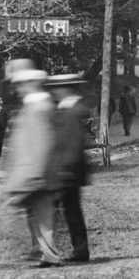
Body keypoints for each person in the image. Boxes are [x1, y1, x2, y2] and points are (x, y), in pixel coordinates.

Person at [2, 58, 62, 268]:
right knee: (39, 215)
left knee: (38, 215)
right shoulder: (36, 105)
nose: (17, 89)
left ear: (31, 83)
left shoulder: (38, 107)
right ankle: (42, 252)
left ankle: (45, 254)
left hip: (34, 173)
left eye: (20, 84)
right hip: (33, 173)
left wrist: (34, 175)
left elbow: (41, 143)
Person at [46, 73, 91, 263]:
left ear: (65, 89)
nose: (54, 92)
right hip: (69, 170)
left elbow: (73, 142)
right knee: (71, 211)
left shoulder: (72, 111)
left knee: (53, 211)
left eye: (56, 88)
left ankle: (47, 252)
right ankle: (79, 250)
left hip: (67, 170)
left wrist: (64, 168)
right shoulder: (70, 108)